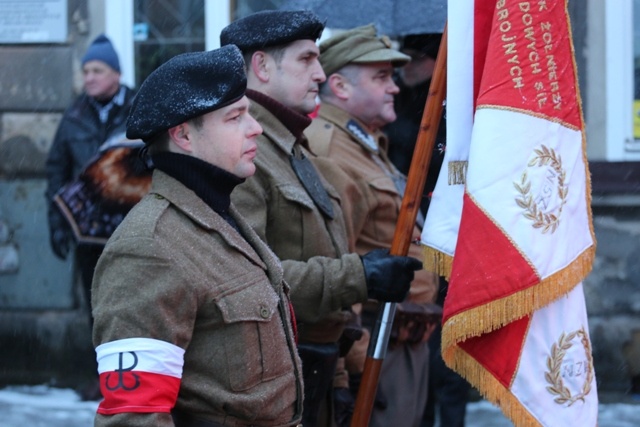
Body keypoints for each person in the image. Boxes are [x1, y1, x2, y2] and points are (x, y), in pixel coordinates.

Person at [220, 10, 422, 427]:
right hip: (274, 381)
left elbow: (326, 260)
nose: (319, 74)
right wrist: (360, 276)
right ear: (261, 66)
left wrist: (343, 374)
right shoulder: (244, 151)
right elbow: (247, 281)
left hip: (315, 375)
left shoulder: (292, 148)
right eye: (307, 60)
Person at [91, 45, 304, 427]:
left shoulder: (219, 213)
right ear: (184, 136)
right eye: (235, 116)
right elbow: (134, 419)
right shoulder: (148, 248)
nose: (255, 127)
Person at [305, 25, 441, 427]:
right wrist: (360, 363)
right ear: (340, 87)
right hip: (376, 341)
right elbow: (333, 257)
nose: (395, 87)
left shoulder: (364, 141)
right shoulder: (330, 150)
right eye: (381, 77)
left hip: (402, 337)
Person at [384, 33, 470, 427]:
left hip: (450, 234)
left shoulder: (455, 105)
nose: (404, 70)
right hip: (406, 236)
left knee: (447, 351)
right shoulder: (393, 102)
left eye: (414, 58)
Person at [44, 33, 136, 401]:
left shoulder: (138, 107)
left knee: (134, 305)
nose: (89, 78)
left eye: (97, 70)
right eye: (85, 71)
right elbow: (56, 171)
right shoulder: (74, 114)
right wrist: (57, 225)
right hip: (88, 237)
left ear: (116, 73)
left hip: (132, 230)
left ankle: (137, 378)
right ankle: (105, 378)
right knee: (98, 308)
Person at [383, 33, 446, 215]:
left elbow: (446, 156)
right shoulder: (393, 90)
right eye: (403, 56)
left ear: (438, 60)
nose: (407, 65)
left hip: (430, 202)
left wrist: (400, 130)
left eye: (417, 58)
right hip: (393, 196)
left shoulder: (450, 100)